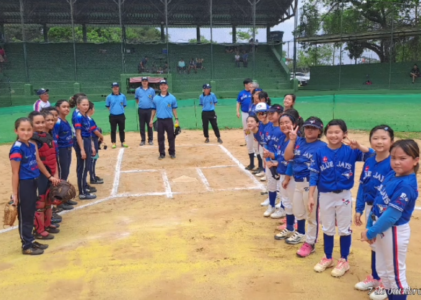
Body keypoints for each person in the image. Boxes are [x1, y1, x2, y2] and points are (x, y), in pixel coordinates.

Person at [308, 119, 373, 278]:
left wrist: (359, 147)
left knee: (344, 229)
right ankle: (328, 257)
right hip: (325, 195)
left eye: (337, 132)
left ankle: (344, 260)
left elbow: (372, 154)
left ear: (345, 134)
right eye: (330, 132)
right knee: (327, 227)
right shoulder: (320, 152)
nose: (333, 135)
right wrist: (311, 195)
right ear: (325, 134)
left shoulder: (351, 150)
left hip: (343, 195)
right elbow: (314, 174)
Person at [362, 139, 419, 300]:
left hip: (393, 231)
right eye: (394, 158)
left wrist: (371, 232)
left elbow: (392, 216)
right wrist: (369, 225)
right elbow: (378, 201)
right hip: (381, 229)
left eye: (403, 158)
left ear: (416, 161)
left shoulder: (406, 185)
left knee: (395, 278)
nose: (397, 162)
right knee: (384, 273)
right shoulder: (392, 174)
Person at [353, 125, 394, 299]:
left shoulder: (393, 163)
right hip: (370, 207)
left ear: (392, 141)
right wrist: (359, 208)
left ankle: (387, 283)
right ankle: (376, 277)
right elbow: (363, 185)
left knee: (385, 246)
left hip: (385, 211)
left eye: (384, 138)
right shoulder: (369, 160)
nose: (379, 141)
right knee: (374, 243)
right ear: (370, 141)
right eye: (375, 138)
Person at [281, 116, 326, 258]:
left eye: (314, 128)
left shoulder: (322, 146)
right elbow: (288, 157)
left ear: (319, 131)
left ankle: (310, 242)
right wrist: (292, 140)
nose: (309, 130)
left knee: (311, 215)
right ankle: (302, 234)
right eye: (307, 127)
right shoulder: (298, 141)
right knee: (298, 212)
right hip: (298, 182)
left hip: (311, 184)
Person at [10, 118, 53, 255]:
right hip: (25, 184)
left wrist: (49, 176)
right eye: (22, 129)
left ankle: (31, 239)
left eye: (29, 129)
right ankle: (26, 245)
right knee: (25, 215)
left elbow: (38, 161)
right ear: (16, 131)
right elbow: (15, 173)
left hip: (34, 181)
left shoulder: (32, 145)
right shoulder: (17, 148)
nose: (26, 132)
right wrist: (15, 194)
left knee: (32, 211)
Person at [29, 111, 61, 240]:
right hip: (41, 175)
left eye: (42, 122)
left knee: (49, 200)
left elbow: (53, 157)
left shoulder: (47, 135)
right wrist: (49, 176)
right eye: (37, 123)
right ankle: (39, 230)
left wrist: (56, 174)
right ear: (31, 124)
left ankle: (47, 224)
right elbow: (38, 160)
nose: (41, 125)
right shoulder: (33, 139)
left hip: (50, 173)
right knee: (40, 202)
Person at [259, 104, 284, 217]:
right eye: (268, 113)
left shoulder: (282, 130)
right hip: (270, 161)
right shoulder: (268, 127)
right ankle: (272, 206)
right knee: (271, 184)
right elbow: (266, 145)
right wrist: (267, 159)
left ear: (280, 115)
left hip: (280, 161)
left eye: (272, 113)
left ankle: (283, 208)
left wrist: (276, 160)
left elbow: (285, 149)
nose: (269, 116)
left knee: (283, 187)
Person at [73, 95, 97, 200]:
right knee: (82, 167)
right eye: (83, 105)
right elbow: (78, 134)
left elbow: (88, 132)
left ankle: (84, 187)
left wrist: (91, 145)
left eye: (87, 104)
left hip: (86, 140)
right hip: (81, 141)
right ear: (78, 105)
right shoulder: (78, 116)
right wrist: (82, 149)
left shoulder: (84, 115)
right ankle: (82, 192)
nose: (86, 106)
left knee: (86, 166)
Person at [149, 80, 179, 160]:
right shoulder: (155, 98)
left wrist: (176, 119)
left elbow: (174, 110)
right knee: (160, 138)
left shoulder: (172, 98)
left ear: (167, 86)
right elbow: (153, 110)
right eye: (161, 85)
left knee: (171, 137)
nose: (163, 86)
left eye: (165, 85)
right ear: (159, 87)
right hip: (160, 121)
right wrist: (151, 119)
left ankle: (172, 152)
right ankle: (162, 153)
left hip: (169, 120)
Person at [236, 78, 255, 170]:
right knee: (246, 129)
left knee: (254, 129)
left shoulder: (254, 92)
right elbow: (238, 103)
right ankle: (248, 142)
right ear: (245, 85)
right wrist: (237, 111)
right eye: (249, 83)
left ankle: (254, 147)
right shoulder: (241, 93)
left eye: (251, 83)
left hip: (253, 113)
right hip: (245, 113)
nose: (250, 84)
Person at [54, 100, 73, 181]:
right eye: (64, 107)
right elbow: (55, 138)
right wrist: (56, 152)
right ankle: (60, 190)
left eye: (68, 107)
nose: (67, 109)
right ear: (58, 108)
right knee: (63, 171)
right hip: (61, 149)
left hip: (68, 148)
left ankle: (62, 187)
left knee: (66, 170)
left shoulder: (65, 120)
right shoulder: (58, 122)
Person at [106, 82, 128, 149]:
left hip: (121, 115)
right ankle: (113, 142)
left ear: (118, 87)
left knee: (122, 129)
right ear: (112, 88)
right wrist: (113, 111)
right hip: (113, 116)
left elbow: (124, 105)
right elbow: (107, 106)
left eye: (116, 87)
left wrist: (120, 110)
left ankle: (123, 141)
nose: (115, 88)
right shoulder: (109, 97)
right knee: (113, 130)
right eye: (114, 87)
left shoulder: (123, 96)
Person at [87, 101, 104, 185]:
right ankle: (92, 177)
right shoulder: (88, 119)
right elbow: (94, 130)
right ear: (90, 110)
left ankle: (93, 175)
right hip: (92, 140)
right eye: (93, 108)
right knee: (92, 160)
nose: (94, 110)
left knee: (94, 159)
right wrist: (101, 136)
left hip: (93, 140)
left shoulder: (89, 118)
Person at [135, 77, 155, 146]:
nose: (144, 82)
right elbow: (137, 99)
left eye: (146, 81)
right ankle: (143, 140)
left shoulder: (152, 90)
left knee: (150, 125)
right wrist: (141, 104)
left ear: (148, 82)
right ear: (141, 82)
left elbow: (153, 99)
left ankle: (150, 140)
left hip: (149, 109)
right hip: (141, 110)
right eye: (143, 81)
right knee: (142, 125)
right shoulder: (137, 90)